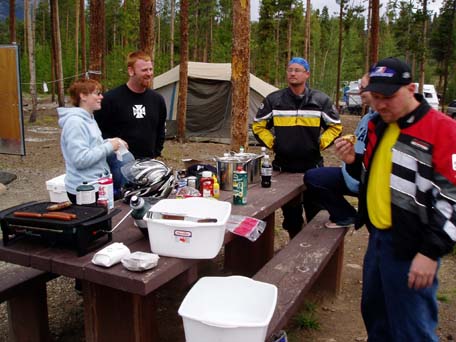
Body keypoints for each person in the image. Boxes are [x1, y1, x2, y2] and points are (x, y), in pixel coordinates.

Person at [335, 57, 456, 341]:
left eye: (387, 97)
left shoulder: (443, 129)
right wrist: (354, 162)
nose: (379, 105)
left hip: (412, 246)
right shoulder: (380, 124)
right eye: (374, 97)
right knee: (376, 316)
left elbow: (452, 198)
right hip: (377, 239)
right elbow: (377, 174)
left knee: (411, 329)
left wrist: (430, 251)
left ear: (411, 88)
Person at [252, 57, 343, 238]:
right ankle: (295, 240)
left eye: (297, 70)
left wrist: (320, 143)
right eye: (290, 69)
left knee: (316, 213)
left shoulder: (320, 100)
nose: (292, 73)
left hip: (313, 167)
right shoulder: (274, 100)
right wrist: (274, 143)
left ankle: (313, 248)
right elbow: (258, 125)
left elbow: (335, 126)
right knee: (292, 217)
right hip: (283, 168)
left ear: (307, 74)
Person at [304, 73, 378, 228]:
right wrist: (347, 149)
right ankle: (345, 215)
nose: (358, 92)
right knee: (314, 177)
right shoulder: (366, 118)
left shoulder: (386, 122)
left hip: (372, 183)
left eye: (363, 88)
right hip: (352, 172)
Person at [95, 50, 167, 197]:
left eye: (151, 69)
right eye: (144, 70)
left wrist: (156, 153)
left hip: (148, 165)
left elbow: (160, 129)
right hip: (119, 166)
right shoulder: (111, 99)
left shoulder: (157, 100)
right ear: (131, 71)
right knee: (124, 206)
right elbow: (99, 132)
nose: (149, 73)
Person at [58, 79, 127, 204]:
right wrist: (109, 147)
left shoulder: (89, 119)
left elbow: (92, 145)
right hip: (85, 189)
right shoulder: (75, 123)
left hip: (98, 185)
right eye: (97, 93)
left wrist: (112, 141)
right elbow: (80, 159)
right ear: (83, 96)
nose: (101, 97)